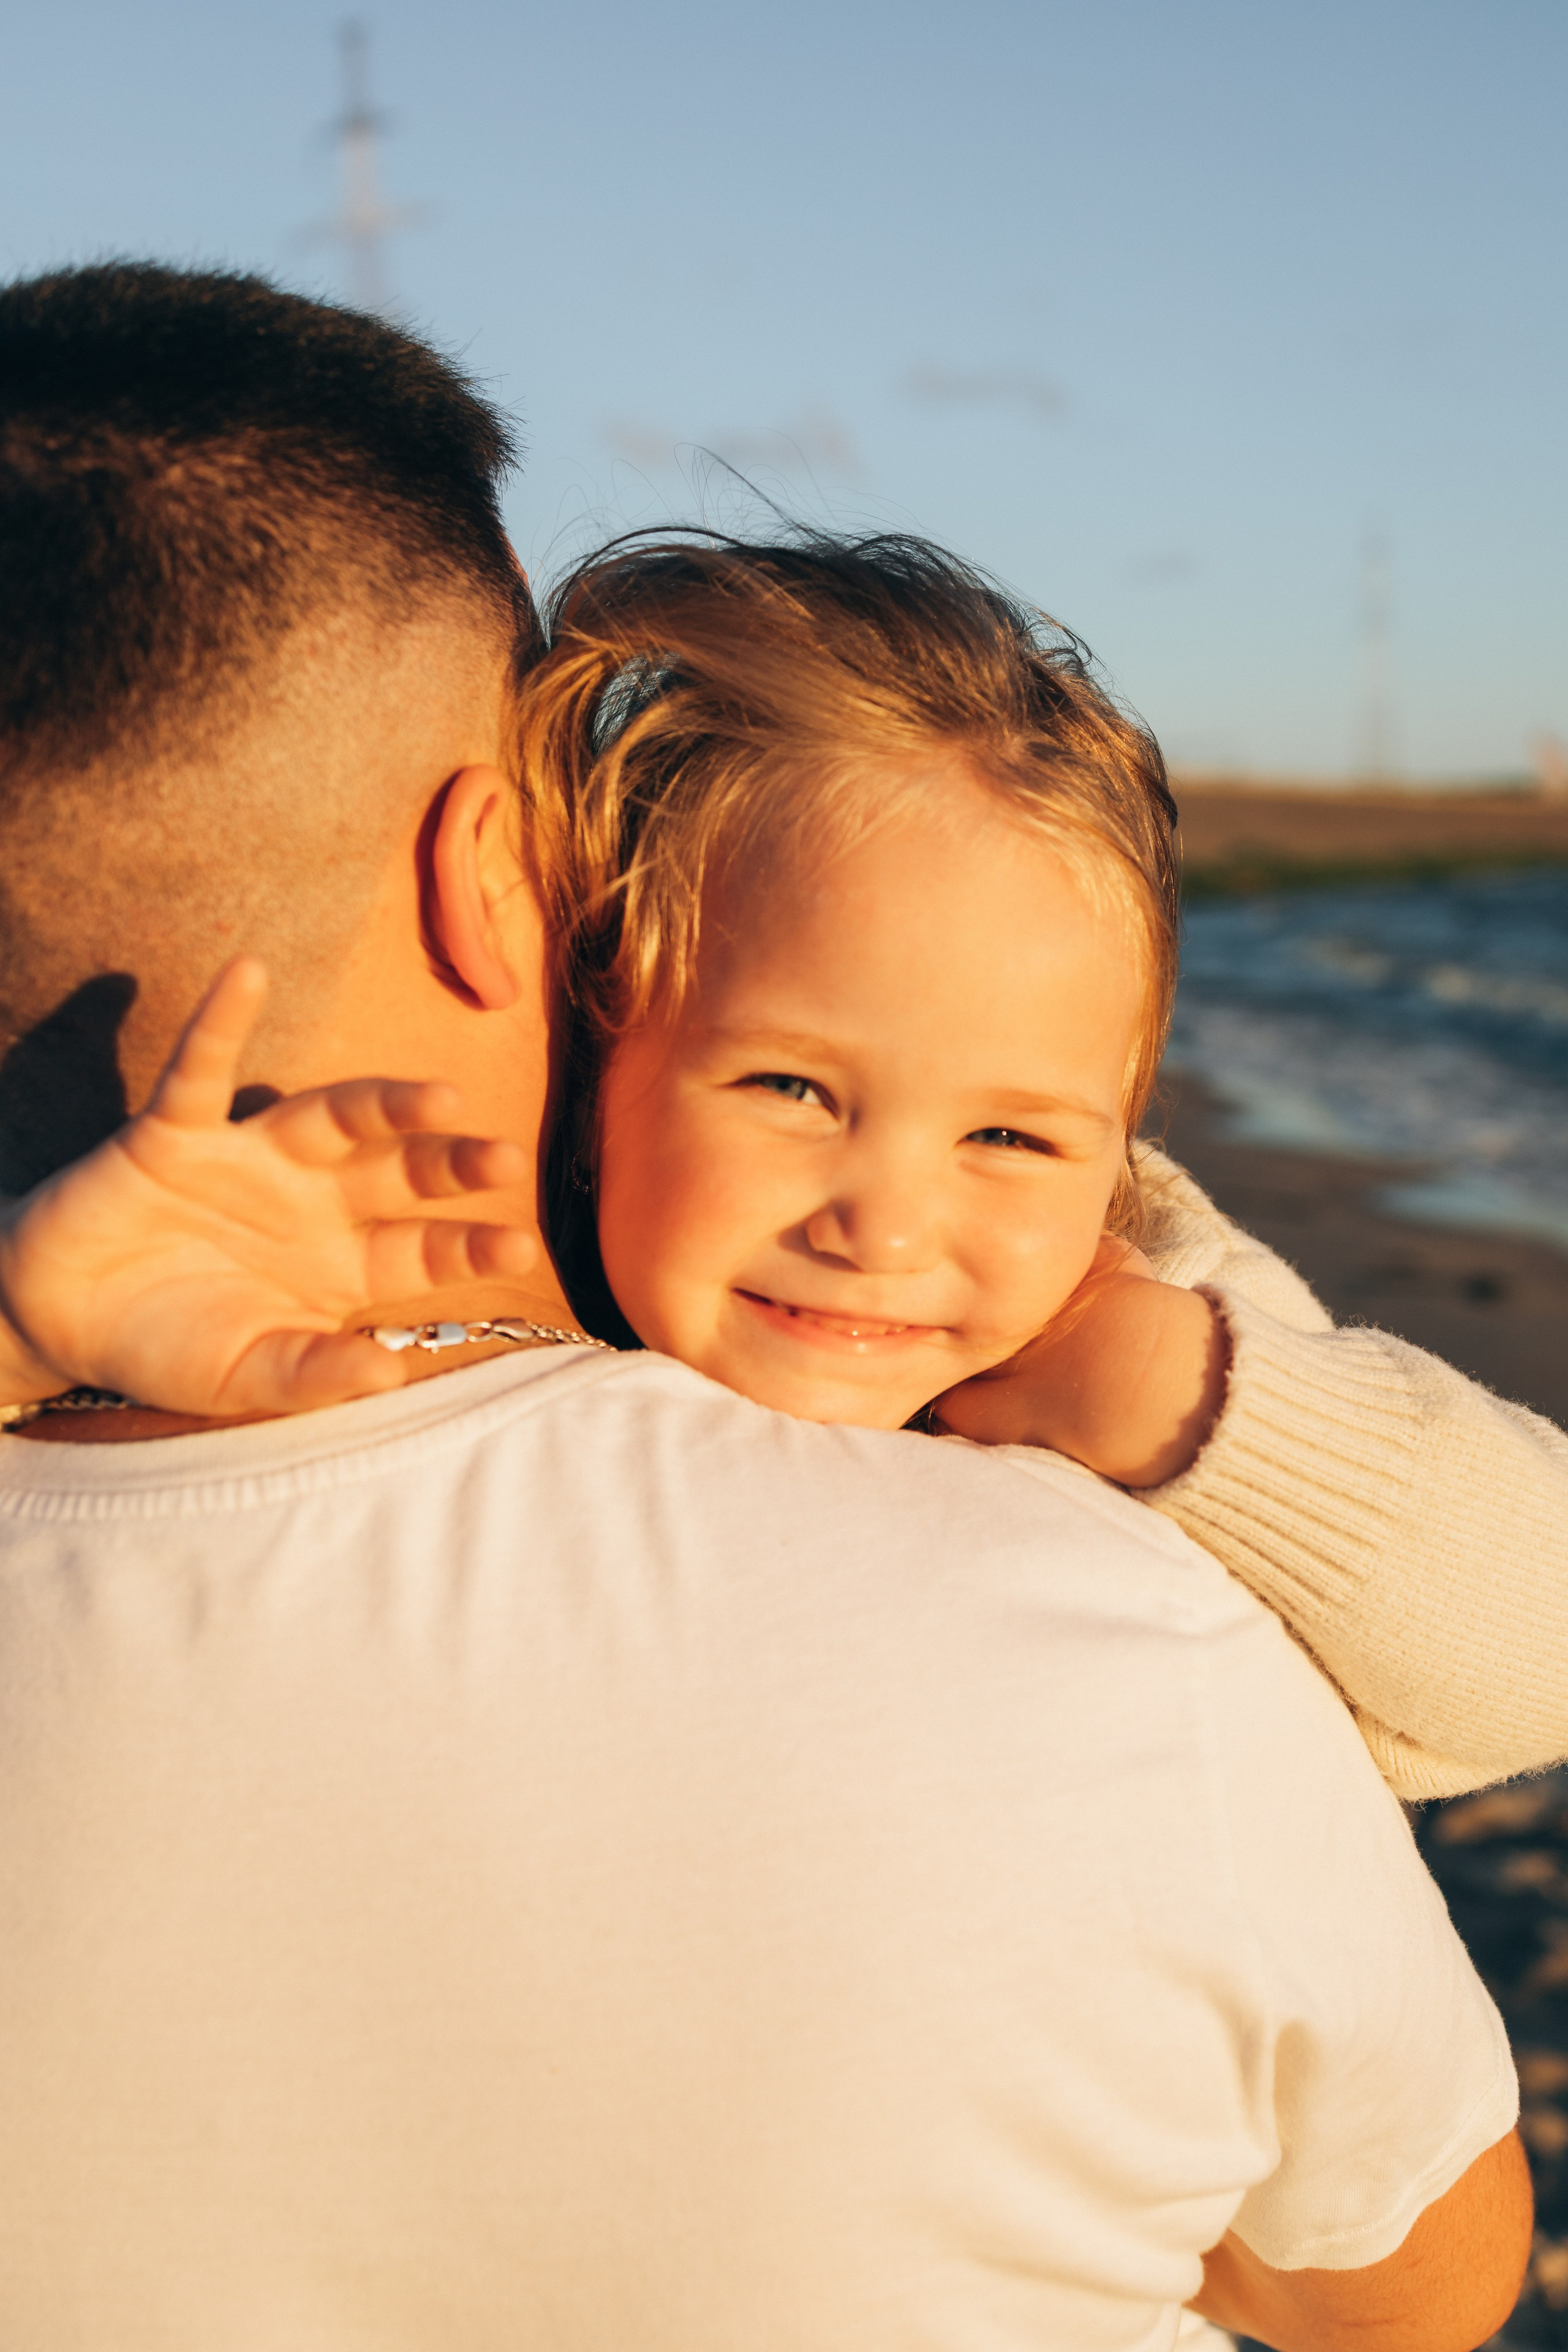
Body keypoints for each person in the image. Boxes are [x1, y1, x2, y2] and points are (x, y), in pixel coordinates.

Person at [0, 261, 1535, 2348]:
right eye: (795, 1088)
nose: (884, 1222)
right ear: (526, 895)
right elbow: (1419, 2297)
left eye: (1014, 1137)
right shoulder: (1120, 1647)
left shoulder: (1099, 1355)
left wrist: (1171, 1388)